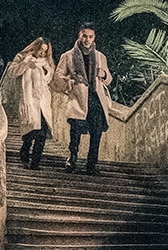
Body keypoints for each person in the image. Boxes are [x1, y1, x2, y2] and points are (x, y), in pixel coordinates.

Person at [53, 23, 113, 173]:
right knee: (75, 131)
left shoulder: (100, 57)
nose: (87, 39)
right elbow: (57, 78)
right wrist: (70, 81)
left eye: (90, 37)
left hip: (96, 100)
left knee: (96, 133)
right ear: (79, 35)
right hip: (78, 99)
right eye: (84, 36)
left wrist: (103, 74)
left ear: (94, 38)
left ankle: (91, 164)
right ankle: (72, 159)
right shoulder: (67, 56)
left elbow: (109, 79)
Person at [10, 37, 54, 167]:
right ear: (34, 47)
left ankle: (35, 161)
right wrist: (25, 65)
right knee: (31, 131)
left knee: (42, 131)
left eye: (45, 51)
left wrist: (47, 71)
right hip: (29, 100)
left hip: (43, 101)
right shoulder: (22, 57)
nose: (42, 53)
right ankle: (24, 153)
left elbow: (49, 77)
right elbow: (12, 73)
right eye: (40, 49)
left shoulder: (46, 62)